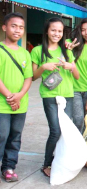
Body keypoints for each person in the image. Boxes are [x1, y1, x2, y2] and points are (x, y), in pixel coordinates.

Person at [31, 17, 79, 177]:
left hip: (68, 95)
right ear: (46, 31)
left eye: (59, 31)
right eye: (53, 30)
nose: (56, 34)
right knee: (55, 130)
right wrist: (44, 67)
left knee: (65, 130)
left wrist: (70, 66)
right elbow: (33, 76)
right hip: (50, 95)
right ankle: (47, 164)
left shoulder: (67, 50)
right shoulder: (38, 51)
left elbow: (77, 76)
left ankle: (61, 160)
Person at [0, 12, 32, 183]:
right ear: (5, 28)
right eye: (13, 26)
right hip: (2, 104)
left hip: (21, 103)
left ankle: (8, 167)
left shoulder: (25, 53)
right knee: (1, 135)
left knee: (15, 136)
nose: (17, 30)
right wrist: (10, 96)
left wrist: (19, 96)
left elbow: (28, 78)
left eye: (21, 27)